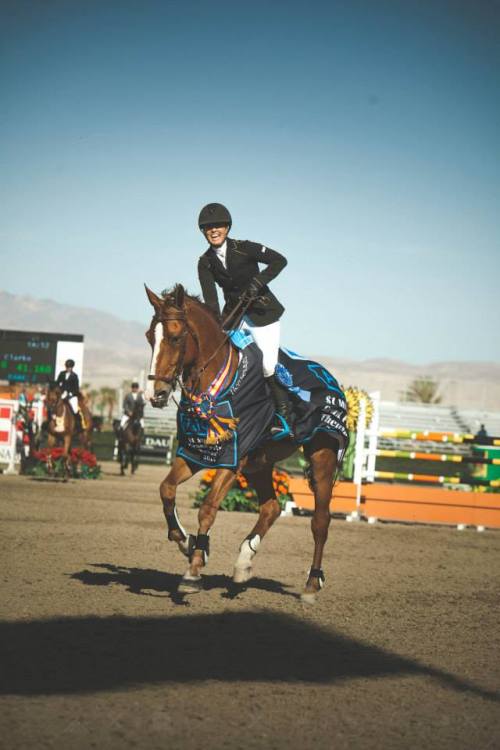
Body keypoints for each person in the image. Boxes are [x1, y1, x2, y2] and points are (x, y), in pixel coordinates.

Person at [197, 202, 293, 436]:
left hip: (263, 313)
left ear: (227, 227)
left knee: (267, 365)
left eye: (218, 225)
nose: (214, 230)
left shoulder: (245, 248)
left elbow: (280, 260)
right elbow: (211, 302)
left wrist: (258, 283)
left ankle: (282, 415)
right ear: (203, 232)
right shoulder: (205, 262)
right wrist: (216, 328)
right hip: (234, 316)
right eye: (208, 227)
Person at [56, 359, 83, 427]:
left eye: (70, 367)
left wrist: (71, 393)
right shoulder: (62, 374)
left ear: (72, 367)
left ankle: (78, 423)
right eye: (67, 367)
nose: (68, 368)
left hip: (71, 395)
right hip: (62, 394)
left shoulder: (75, 376)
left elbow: (76, 388)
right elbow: (58, 383)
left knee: (75, 408)